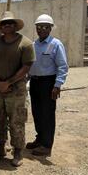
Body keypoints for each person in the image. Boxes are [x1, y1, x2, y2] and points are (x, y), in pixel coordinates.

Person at [0, 11, 36, 167]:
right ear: (0, 27)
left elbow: (27, 66)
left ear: (15, 25)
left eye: (10, 23)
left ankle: (18, 151)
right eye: (4, 23)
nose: (7, 25)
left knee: (17, 121)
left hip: (17, 89)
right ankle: (0, 147)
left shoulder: (25, 43)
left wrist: (9, 82)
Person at [27, 14, 69, 157]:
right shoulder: (34, 45)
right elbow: (31, 66)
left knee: (47, 114)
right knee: (37, 112)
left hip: (48, 83)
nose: (42, 29)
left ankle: (47, 145)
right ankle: (40, 139)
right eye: (39, 27)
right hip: (35, 82)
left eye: (45, 27)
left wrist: (57, 85)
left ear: (50, 29)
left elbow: (63, 66)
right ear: (36, 29)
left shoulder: (56, 44)